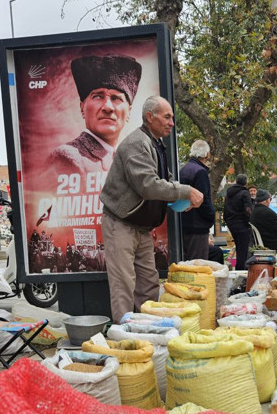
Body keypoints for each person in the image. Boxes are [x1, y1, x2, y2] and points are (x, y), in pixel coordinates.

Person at [100, 95, 204, 322]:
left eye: (172, 118)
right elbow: (148, 186)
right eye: (167, 117)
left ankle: (148, 328)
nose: (171, 123)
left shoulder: (155, 143)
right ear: (150, 117)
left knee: (148, 281)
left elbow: (162, 181)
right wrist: (186, 192)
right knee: (123, 284)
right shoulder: (137, 143)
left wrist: (178, 202)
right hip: (120, 224)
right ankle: (124, 339)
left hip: (140, 227)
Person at [48, 55, 142, 174]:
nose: (108, 107)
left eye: (116, 98)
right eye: (98, 96)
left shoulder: (131, 159)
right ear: (82, 108)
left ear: (129, 111)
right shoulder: (67, 157)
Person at [179, 140, 215, 260]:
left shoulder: (183, 170)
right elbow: (203, 200)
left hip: (183, 223)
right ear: (207, 154)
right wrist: (211, 216)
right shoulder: (200, 172)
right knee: (198, 264)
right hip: (198, 226)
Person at [224, 174, 253, 270]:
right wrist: (249, 219)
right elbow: (248, 210)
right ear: (245, 183)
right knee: (243, 249)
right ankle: (241, 270)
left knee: (239, 246)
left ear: (236, 181)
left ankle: (238, 269)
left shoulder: (229, 193)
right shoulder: (245, 193)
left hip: (231, 223)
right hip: (242, 224)